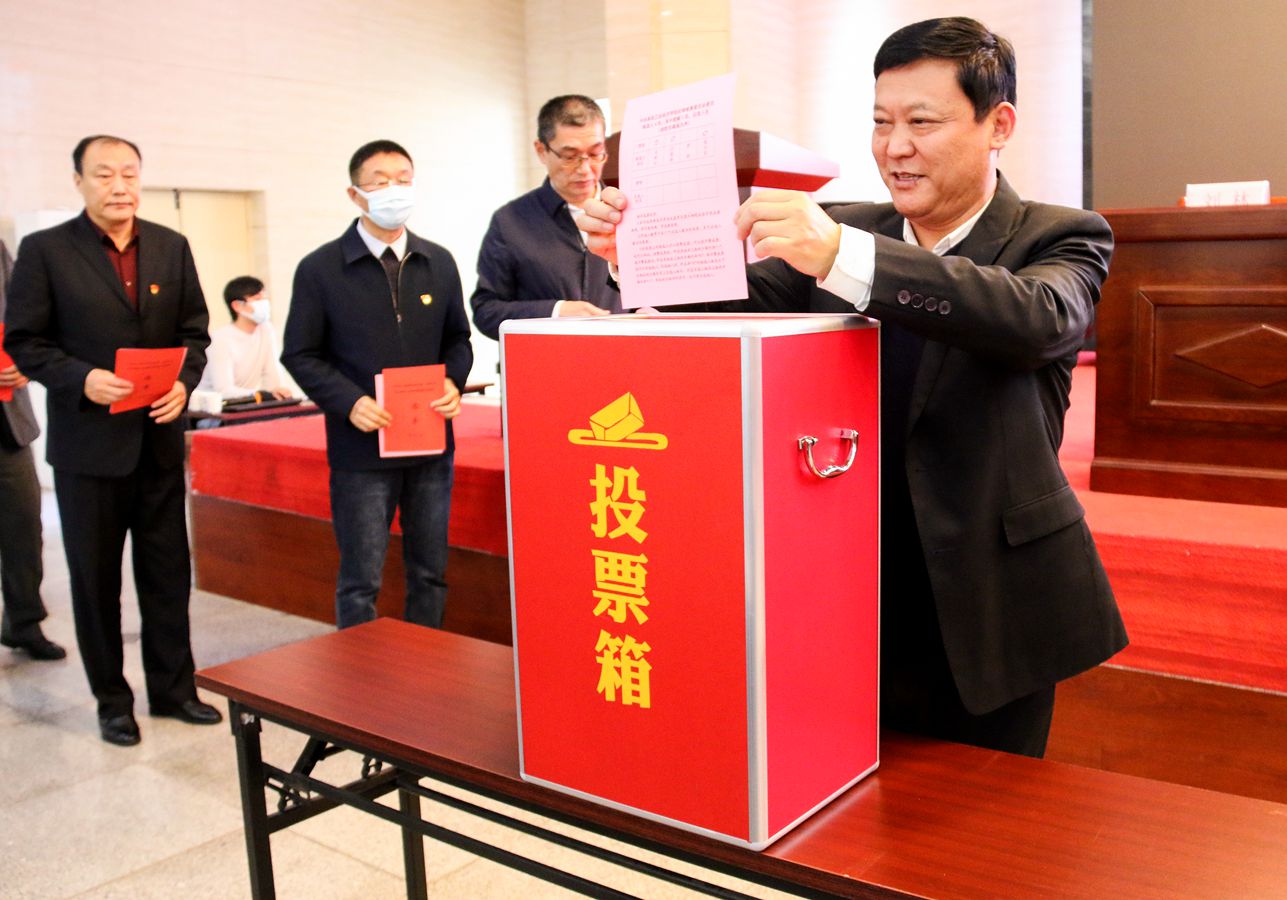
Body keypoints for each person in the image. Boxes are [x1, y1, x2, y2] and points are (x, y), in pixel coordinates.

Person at [577, 17, 1127, 758]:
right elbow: (725, 300)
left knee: (985, 814)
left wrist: (847, 257)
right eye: (880, 122)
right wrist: (632, 254)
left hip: (990, 594)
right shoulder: (842, 228)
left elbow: (1037, 320)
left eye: (921, 123)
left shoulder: (1058, 234)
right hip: (847, 581)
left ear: (998, 125)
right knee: (847, 800)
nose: (894, 147)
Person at [4, 135, 221, 745]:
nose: (119, 185)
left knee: (167, 573)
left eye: (129, 173)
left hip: (157, 439)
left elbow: (195, 332)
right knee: (95, 581)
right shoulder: (47, 251)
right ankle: (112, 701)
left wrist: (184, 382)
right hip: (89, 448)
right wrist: (81, 378)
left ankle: (174, 690)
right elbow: (26, 341)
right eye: (104, 174)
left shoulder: (171, 246)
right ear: (79, 181)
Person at [282, 140, 473, 630]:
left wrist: (453, 381)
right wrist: (349, 402)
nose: (394, 190)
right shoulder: (321, 269)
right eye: (380, 181)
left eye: (403, 179)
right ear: (355, 194)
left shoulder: (438, 261)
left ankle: (425, 659)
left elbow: (458, 339)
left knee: (430, 573)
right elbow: (300, 353)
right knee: (360, 580)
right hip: (361, 449)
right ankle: (358, 670)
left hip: (430, 445)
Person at [470, 94, 621, 340]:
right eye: (570, 157)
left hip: (619, 354)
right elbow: (486, 311)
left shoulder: (624, 211)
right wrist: (556, 312)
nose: (585, 169)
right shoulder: (510, 222)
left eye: (596, 153)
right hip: (544, 358)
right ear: (541, 151)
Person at [0, 239, 65, 662]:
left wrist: (26, 360)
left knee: (23, 527)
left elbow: (23, 316)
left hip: (8, 420)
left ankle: (23, 622)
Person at [195, 275, 292, 401]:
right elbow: (224, 390)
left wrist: (279, 391)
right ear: (237, 306)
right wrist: (263, 395)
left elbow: (273, 376)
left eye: (265, 298)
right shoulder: (220, 339)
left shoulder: (266, 330)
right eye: (257, 299)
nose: (264, 304)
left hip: (246, 403)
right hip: (213, 408)